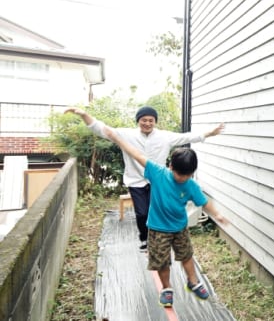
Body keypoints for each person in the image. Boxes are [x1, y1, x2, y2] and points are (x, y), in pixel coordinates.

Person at [64, 106, 224, 250]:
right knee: (141, 213)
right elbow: (102, 129)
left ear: (155, 121)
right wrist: (84, 115)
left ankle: (156, 239)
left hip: (158, 182)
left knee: (156, 212)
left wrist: (210, 133)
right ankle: (144, 239)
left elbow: (187, 137)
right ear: (138, 121)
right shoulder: (127, 134)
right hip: (136, 180)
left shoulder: (164, 136)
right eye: (144, 120)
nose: (147, 123)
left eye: (150, 120)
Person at [103, 124, 228, 306]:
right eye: (179, 174)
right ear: (170, 166)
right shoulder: (158, 173)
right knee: (162, 262)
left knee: (186, 255)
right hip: (158, 228)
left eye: (187, 175)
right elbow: (137, 154)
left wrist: (217, 214)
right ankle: (167, 288)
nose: (182, 178)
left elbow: (204, 202)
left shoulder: (191, 185)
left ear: (192, 173)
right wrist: (117, 139)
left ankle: (192, 282)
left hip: (180, 228)